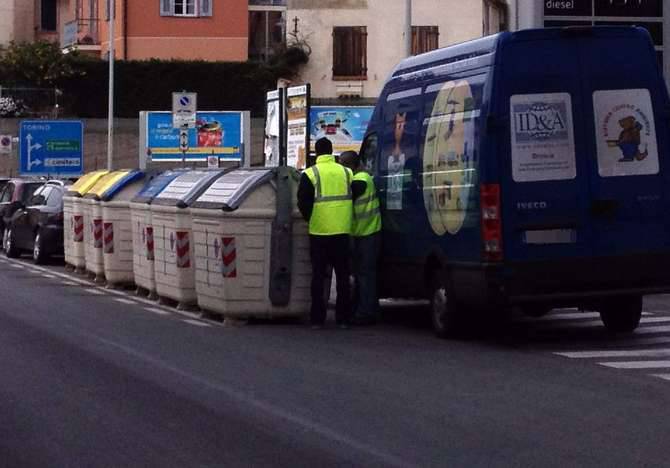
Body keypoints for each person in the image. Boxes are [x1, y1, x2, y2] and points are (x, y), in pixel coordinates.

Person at [297, 138, 353, 329]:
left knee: (318, 276)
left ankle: (317, 319)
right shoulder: (346, 172)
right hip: (343, 230)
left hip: (319, 231)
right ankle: (343, 318)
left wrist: (311, 218)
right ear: (332, 151)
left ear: (316, 153)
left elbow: (302, 202)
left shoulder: (310, 173)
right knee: (343, 276)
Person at [340, 150, 382, 326]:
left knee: (365, 275)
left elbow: (347, 197)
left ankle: (366, 312)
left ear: (350, 166)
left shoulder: (360, 180)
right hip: (363, 233)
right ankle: (364, 308)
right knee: (362, 275)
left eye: (343, 165)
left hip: (367, 233)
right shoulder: (361, 178)